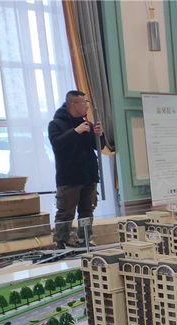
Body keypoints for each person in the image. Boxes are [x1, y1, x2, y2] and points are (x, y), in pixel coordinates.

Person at [48, 90, 103, 249]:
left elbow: (98, 146)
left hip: (89, 175)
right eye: (84, 103)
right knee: (66, 212)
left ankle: (84, 239)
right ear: (73, 104)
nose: (87, 106)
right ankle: (61, 242)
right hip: (69, 178)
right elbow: (57, 144)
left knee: (87, 210)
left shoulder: (87, 124)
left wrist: (99, 135)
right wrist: (75, 131)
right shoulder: (56, 124)